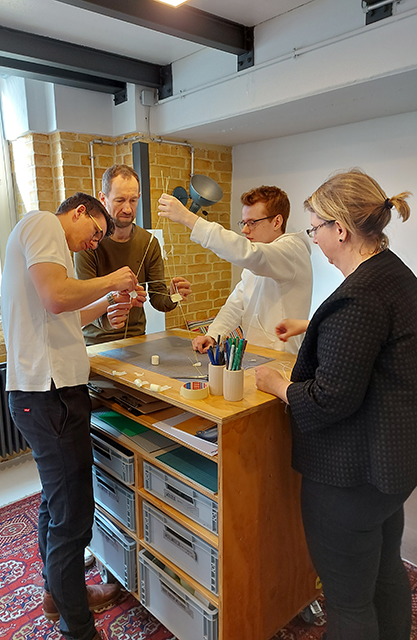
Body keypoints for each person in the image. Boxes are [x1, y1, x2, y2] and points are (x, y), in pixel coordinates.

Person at [255, 169, 417, 640]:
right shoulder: (393, 273)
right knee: (385, 571)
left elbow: (328, 399)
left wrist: (277, 384)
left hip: (350, 476)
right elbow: (379, 340)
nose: (315, 240)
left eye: (315, 229)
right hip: (390, 468)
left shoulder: (359, 296)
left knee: (349, 603)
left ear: (339, 229)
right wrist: (314, 326)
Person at [1, 192, 139, 640]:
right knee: (73, 518)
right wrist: (112, 279)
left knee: (56, 503)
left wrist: (109, 301)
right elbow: (57, 298)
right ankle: (79, 629)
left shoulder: (44, 244)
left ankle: (58, 596)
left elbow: (62, 317)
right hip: (50, 396)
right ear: (79, 211)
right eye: (95, 232)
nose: (93, 243)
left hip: (45, 395)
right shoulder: (44, 223)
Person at [158, 185, 313, 354]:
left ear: (277, 222)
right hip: (256, 355)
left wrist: (188, 218)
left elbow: (248, 254)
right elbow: (236, 304)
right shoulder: (259, 257)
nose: (244, 230)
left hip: (283, 359)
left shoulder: (292, 250)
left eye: (252, 223)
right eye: (244, 223)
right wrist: (213, 335)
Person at [75, 164, 192, 344]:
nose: (128, 209)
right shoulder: (88, 243)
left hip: (137, 340)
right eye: (120, 200)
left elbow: (159, 299)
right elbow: (84, 302)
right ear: (103, 199)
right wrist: (111, 314)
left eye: (133, 200)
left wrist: (174, 296)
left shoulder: (149, 242)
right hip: (97, 342)